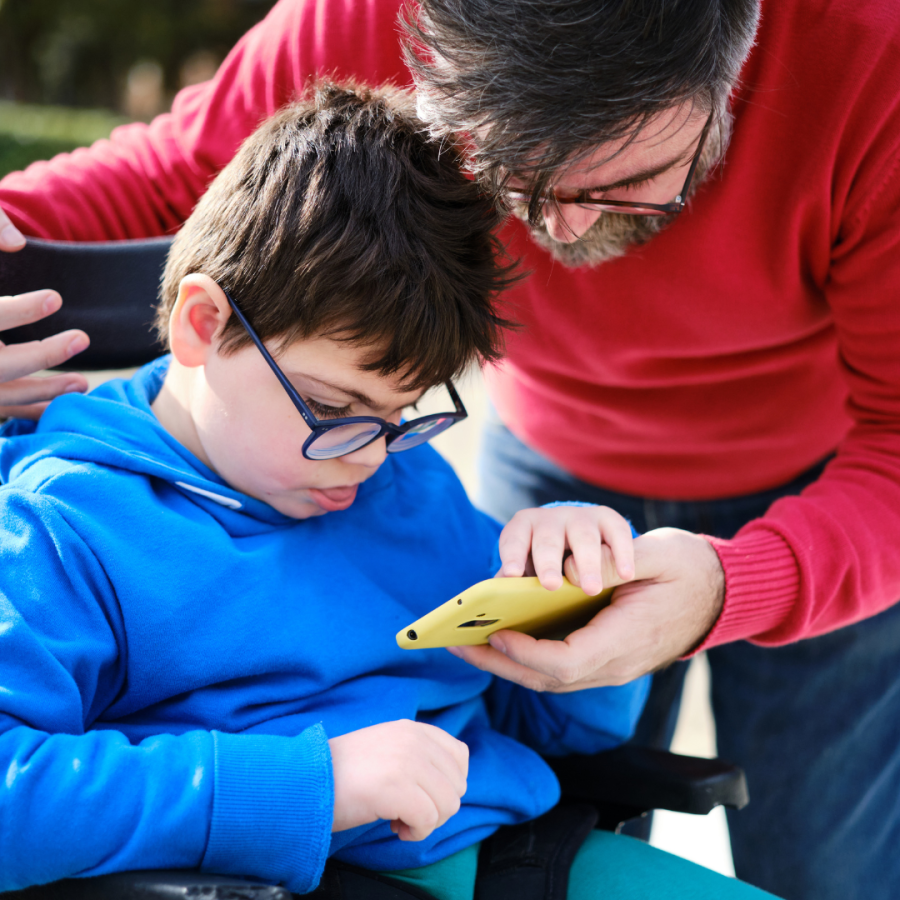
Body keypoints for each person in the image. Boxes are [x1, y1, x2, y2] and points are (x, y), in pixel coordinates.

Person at [0, 1, 898, 897]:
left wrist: (585, 614)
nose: (569, 235)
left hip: (826, 477)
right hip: (353, 854)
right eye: (516, 179)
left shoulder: (399, 479)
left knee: (831, 862)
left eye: (630, 177)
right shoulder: (68, 528)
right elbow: (172, 168)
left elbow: (547, 721)